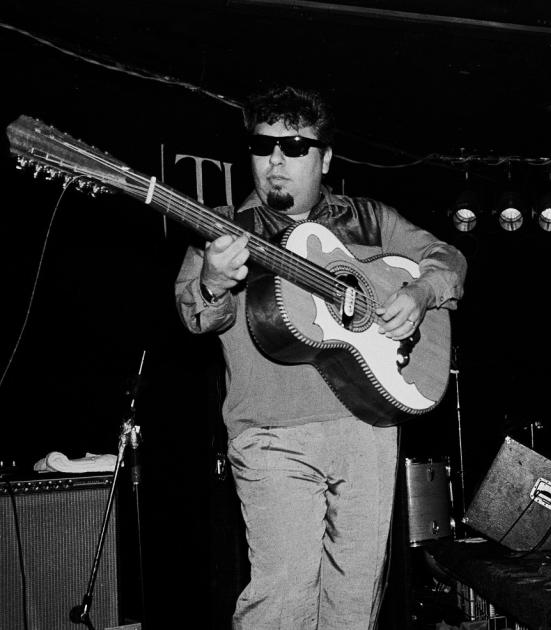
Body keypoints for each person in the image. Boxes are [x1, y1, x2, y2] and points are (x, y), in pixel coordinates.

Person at [175, 85, 466, 629]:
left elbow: (446, 256)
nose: (276, 162)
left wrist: (421, 293)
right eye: (263, 148)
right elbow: (197, 316)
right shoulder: (223, 230)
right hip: (269, 434)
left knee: (354, 605)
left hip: (369, 426)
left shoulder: (370, 219)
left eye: (294, 147)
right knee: (282, 599)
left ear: (326, 157)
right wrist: (214, 283)